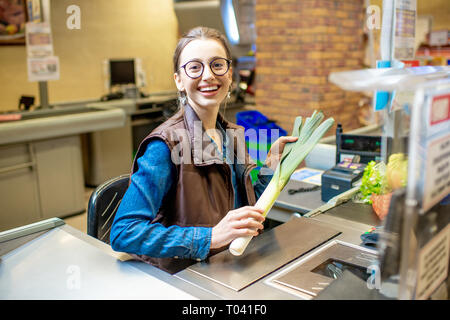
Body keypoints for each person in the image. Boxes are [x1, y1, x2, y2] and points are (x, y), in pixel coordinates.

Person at [110, 27, 297, 274]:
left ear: (230, 74)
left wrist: (271, 166)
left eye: (217, 65)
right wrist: (209, 238)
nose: (208, 75)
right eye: (195, 67)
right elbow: (124, 232)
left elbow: (244, 206)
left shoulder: (231, 135)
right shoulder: (165, 145)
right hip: (187, 276)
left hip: (228, 266)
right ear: (179, 80)